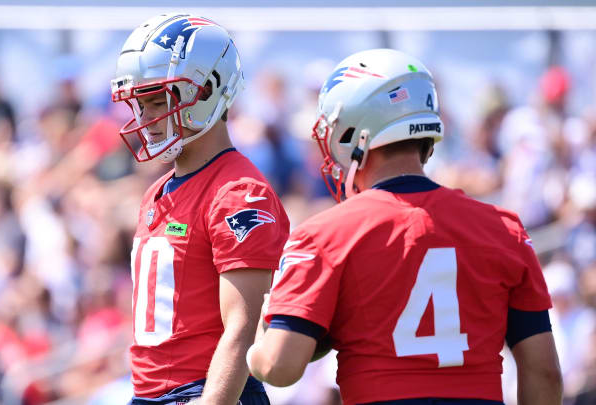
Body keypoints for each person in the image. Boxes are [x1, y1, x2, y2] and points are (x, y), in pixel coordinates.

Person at [246, 49, 563, 405]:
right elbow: (544, 371)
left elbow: (279, 366)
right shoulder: (505, 230)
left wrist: (260, 335)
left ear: (354, 132)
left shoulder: (325, 234)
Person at [110, 13, 289, 404]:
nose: (146, 119)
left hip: (207, 391)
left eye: (157, 100)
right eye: (140, 104)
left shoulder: (239, 193)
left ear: (206, 90)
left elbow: (243, 327)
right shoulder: (157, 190)